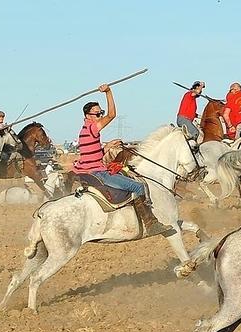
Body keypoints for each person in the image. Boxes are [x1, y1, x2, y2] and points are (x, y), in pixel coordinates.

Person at [72, 84, 175, 237]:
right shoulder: (92, 127)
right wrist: (108, 92)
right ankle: (151, 223)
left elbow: (90, 155)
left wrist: (106, 148)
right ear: (88, 116)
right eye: (98, 114)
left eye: (101, 113)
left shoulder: (84, 131)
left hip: (90, 170)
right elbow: (112, 115)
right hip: (99, 173)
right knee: (139, 187)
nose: (101, 116)